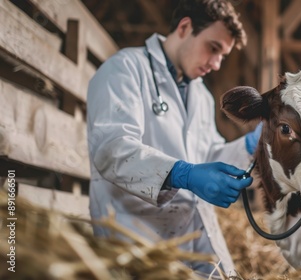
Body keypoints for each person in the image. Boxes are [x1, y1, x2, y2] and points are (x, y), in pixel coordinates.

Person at [86, 0, 261, 277]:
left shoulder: (200, 95)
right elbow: (111, 149)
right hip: (136, 242)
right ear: (185, 27)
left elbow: (209, 158)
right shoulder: (125, 69)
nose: (216, 64)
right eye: (213, 48)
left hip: (194, 243)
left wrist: (253, 145)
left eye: (222, 56)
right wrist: (182, 174)